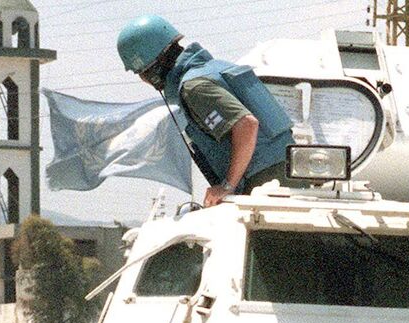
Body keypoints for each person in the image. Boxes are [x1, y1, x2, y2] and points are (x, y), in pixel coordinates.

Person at [117, 15, 295, 207]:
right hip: (285, 175)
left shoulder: (194, 86)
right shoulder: (216, 68)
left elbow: (246, 124)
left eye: (140, 73)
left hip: (264, 182)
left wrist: (227, 185)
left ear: (152, 69)